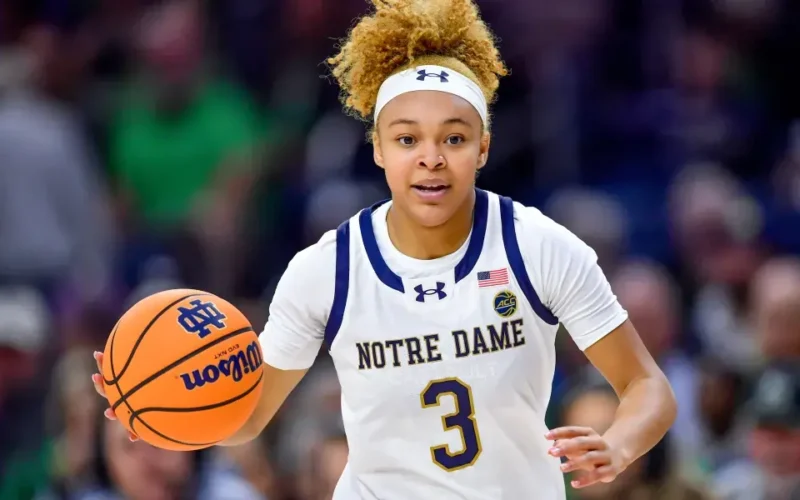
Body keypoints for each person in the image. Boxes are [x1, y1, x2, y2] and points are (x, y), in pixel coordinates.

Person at [91, 0, 677, 498]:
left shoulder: (538, 246)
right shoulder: (327, 269)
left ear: (484, 147)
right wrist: (155, 413)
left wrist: (618, 445)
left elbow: (648, 388)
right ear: (377, 149)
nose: (431, 157)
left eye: (454, 137)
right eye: (406, 138)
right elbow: (246, 417)